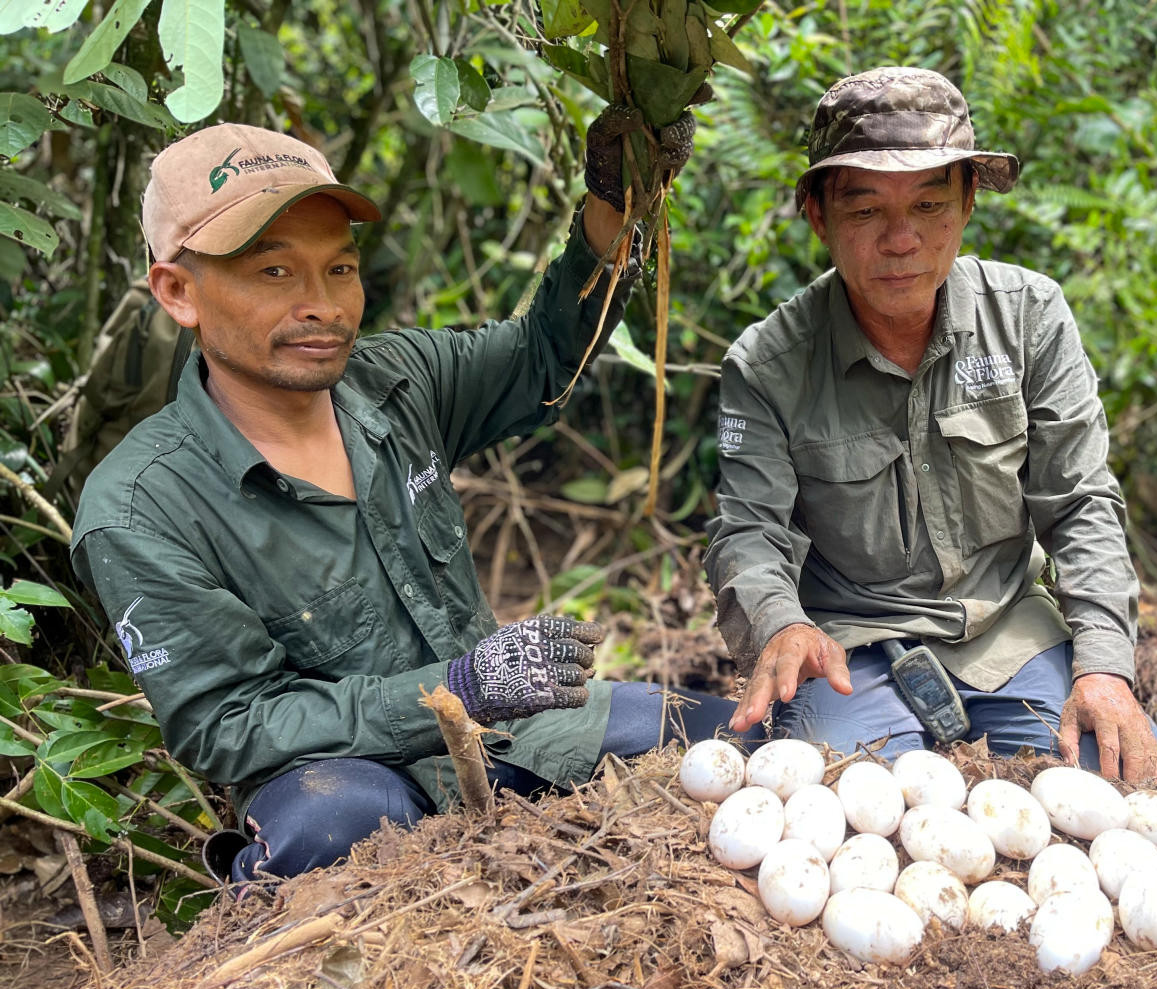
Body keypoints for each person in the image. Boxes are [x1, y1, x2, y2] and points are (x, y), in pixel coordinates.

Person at [70, 116, 746, 886]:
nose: (322, 305)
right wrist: (453, 692)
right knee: (329, 831)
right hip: (356, 779)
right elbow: (228, 726)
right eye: (274, 273)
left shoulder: (400, 383)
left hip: (517, 736)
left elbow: (542, 357)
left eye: (341, 269)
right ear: (178, 290)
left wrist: (614, 203)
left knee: (736, 742)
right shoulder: (138, 508)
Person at [703, 67, 1157, 783]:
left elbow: (1081, 504)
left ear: (968, 203)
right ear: (818, 215)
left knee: (1104, 781)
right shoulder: (767, 365)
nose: (900, 239)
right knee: (843, 801)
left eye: (928, 205)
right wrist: (780, 624)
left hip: (1009, 629)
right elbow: (749, 532)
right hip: (851, 647)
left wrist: (1104, 665)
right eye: (864, 212)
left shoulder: (1028, 318)